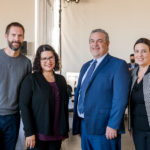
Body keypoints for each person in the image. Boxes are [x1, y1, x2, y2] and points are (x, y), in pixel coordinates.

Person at [72, 29, 130, 150]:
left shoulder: (118, 65)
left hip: (105, 128)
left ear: (107, 44)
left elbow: (120, 99)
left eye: (99, 41)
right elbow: (81, 94)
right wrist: (77, 125)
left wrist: (113, 125)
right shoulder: (85, 66)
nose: (95, 44)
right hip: (85, 125)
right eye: (92, 41)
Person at [19, 44, 69, 150]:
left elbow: (64, 106)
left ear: (55, 58)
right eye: (44, 58)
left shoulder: (61, 80)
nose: (48, 61)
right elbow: (24, 106)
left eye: (51, 57)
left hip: (57, 134)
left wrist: (64, 130)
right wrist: (29, 132)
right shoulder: (31, 80)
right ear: (39, 61)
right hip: (38, 135)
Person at [0, 22, 32, 150]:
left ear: (23, 38)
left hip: (13, 117)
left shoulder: (26, 63)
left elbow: (28, 93)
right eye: (13, 35)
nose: (16, 39)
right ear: (6, 36)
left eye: (20, 35)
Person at [128, 38, 150, 150]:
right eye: (137, 51)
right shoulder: (132, 74)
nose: (139, 55)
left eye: (144, 51)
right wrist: (131, 127)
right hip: (137, 129)